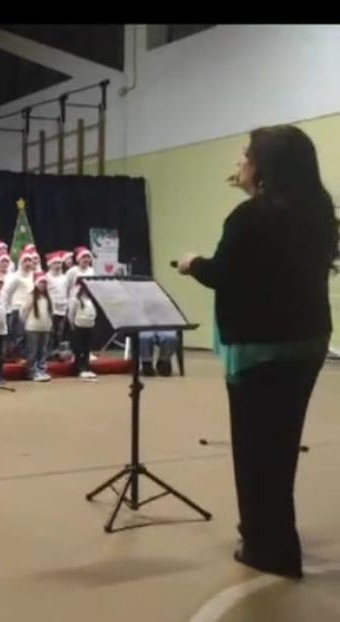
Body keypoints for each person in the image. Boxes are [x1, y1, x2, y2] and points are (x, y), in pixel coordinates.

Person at [177, 125, 335, 579]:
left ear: (264, 167)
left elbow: (224, 273)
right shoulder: (318, 212)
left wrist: (192, 264)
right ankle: (270, 536)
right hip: (307, 342)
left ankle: (269, 548)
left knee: (255, 453)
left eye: (245, 156)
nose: (238, 163)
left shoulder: (249, 217)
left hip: (262, 350)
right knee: (279, 448)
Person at [21, 272, 53, 382]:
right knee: (32, 351)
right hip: (32, 328)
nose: (43, 285)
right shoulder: (31, 297)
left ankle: (42, 370)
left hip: (45, 328)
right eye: (41, 283)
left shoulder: (48, 297)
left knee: (42, 350)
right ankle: (32, 371)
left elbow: (50, 312)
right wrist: (27, 323)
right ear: (36, 284)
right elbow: (24, 311)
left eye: (45, 283)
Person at [67, 283, 98, 380]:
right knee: (79, 349)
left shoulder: (90, 300)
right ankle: (80, 368)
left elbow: (94, 312)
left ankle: (86, 367)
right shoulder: (76, 300)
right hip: (79, 326)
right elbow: (71, 313)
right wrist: (72, 324)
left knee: (86, 349)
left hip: (89, 326)